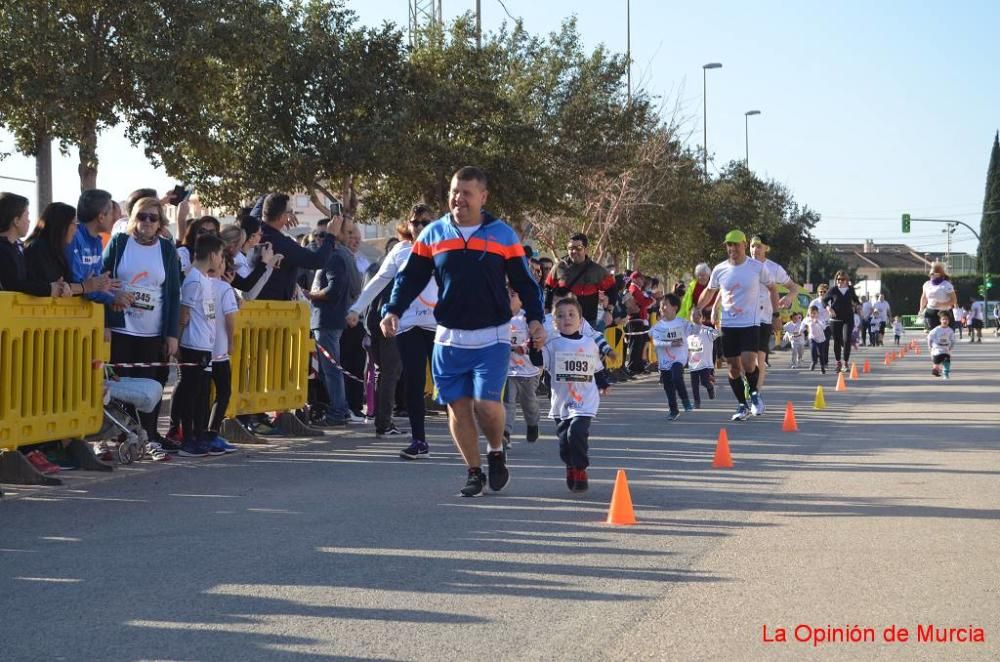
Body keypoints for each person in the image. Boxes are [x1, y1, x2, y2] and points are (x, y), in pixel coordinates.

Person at [381, 166, 545, 497]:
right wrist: (393, 309)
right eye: (455, 191)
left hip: (492, 334)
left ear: (483, 197)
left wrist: (535, 319)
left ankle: (496, 450)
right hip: (449, 336)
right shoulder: (433, 234)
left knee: (486, 405)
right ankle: (473, 471)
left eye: (466, 193)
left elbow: (525, 283)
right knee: (457, 407)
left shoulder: (502, 235)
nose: (458, 199)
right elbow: (410, 277)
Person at [102, 196, 182, 450]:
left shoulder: (167, 249)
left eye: (152, 217)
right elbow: (102, 277)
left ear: (160, 223)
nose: (146, 222)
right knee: (119, 384)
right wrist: (110, 303)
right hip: (121, 326)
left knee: (150, 385)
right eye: (141, 216)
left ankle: (149, 436)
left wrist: (171, 334)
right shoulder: (120, 242)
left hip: (151, 330)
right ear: (132, 219)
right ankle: (121, 434)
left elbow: (172, 292)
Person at [697, 230, 777, 421]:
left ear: (744, 244)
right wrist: (698, 307)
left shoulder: (756, 267)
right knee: (733, 367)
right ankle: (742, 405)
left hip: (750, 322)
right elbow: (710, 291)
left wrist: (775, 314)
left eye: (736, 244)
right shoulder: (720, 269)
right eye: (729, 245)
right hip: (728, 324)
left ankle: (755, 395)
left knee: (749, 363)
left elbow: (773, 288)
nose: (732, 248)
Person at [539, 297, 608, 493]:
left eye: (571, 315)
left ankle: (580, 469)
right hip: (562, 402)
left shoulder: (589, 343)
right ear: (554, 322)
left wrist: (603, 383)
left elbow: (597, 368)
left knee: (576, 432)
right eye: (560, 316)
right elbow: (539, 362)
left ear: (580, 320)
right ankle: (570, 465)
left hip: (585, 400)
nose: (566, 319)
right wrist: (534, 346)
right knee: (564, 442)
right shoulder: (552, 344)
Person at [307, 216, 363, 428]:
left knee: (331, 369)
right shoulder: (345, 256)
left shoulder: (334, 256)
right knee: (331, 368)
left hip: (327, 319)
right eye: (318, 235)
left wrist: (310, 295)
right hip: (333, 319)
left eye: (325, 234)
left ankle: (338, 411)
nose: (321, 239)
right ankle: (340, 408)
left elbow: (333, 290)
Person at [173, 234, 225, 456]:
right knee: (190, 391)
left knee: (202, 392)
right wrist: (177, 343)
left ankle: (199, 433)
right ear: (213, 255)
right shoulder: (193, 279)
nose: (221, 259)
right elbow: (183, 314)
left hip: (205, 344)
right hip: (192, 344)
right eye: (221, 255)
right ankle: (187, 438)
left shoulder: (204, 278)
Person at [25, 202, 116, 297]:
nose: (76, 229)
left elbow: (67, 285)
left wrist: (88, 284)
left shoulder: (58, 250)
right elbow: (54, 287)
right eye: (73, 223)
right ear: (61, 225)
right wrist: (84, 286)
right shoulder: (39, 247)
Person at [253, 193, 332, 301]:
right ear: (281, 217)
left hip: (253, 305)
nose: (292, 215)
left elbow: (259, 209)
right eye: (289, 212)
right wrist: (331, 235)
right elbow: (317, 260)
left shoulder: (253, 230)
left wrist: (270, 200)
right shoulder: (282, 244)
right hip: (275, 310)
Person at [69, 189, 133, 310]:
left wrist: (115, 294)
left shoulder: (97, 241)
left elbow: (97, 285)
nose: (114, 218)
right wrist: (112, 298)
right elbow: (81, 286)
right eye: (111, 213)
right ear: (101, 217)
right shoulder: (74, 238)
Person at [0, 192, 72, 297]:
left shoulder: (18, 248)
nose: (29, 220)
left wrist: (58, 286)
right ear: (16, 221)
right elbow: (14, 285)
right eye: (27, 215)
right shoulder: (3, 250)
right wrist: (49, 289)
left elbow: (29, 281)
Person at [749, 235, 798, 387]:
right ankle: (749, 387)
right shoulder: (743, 265)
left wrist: (789, 297)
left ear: (766, 249)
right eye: (752, 246)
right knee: (746, 360)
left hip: (764, 318)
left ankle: (755, 393)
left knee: (759, 358)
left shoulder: (774, 268)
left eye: (758, 246)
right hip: (744, 318)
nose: (755, 250)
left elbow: (793, 287)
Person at [543, 233, 616, 324]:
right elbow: (548, 288)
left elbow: (612, 289)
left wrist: (609, 311)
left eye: (578, 248)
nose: (574, 251)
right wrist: (547, 311)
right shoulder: (559, 267)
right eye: (571, 248)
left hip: (588, 323)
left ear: (586, 250)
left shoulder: (596, 270)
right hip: (563, 323)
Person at [504, 288, 541, 446]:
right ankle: (505, 433)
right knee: (508, 403)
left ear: (521, 299)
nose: (508, 298)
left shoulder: (526, 318)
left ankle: (533, 424)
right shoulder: (499, 318)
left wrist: (526, 346)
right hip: (508, 371)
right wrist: (512, 348)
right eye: (505, 295)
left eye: (513, 295)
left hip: (528, 371)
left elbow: (535, 337)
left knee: (529, 404)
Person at [649, 292, 692, 420]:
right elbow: (656, 342)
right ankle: (673, 410)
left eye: (665, 305)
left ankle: (685, 400)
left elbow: (695, 330)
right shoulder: (658, 326)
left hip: (679, 358)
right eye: (661, 306)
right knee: (668, 387)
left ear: (675, 308)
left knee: (677, 377)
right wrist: (671, 342)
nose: (662, 308)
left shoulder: (683, 323)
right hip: (664, 361)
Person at [822, 270, 861, 373]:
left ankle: (845, 363)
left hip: (848, 318)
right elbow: (824, 300)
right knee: (837, 341)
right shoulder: (833, 290)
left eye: (842, 279)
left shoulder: (850, 289)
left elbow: (856, 299)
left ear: (846, 280)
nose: (840, 281)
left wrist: (858, 305)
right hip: (835, 319)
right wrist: (829, 309)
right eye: (838, 279)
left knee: (846, 339)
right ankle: (838, 362)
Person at [624, 272, 655, 376]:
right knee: (635, 344)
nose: (642, 281)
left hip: (640, 319)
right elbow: (643, 302)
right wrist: (651, 299)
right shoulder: (634, 289)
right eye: (640, 279)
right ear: (635, 279)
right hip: (635, 320)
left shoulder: (638, 289)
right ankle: (632, 366)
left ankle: (638, 366)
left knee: (640, 344)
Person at [687, 308, 719, 407]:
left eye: (698, 315)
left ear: (702, 318)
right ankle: (697, 402)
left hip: (705, 363)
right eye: (693, 314)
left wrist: (717, 324)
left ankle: (710, 387)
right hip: (693, 363)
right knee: (694, 384)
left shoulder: (707, 330)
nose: (695, 316)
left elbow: (717, 333)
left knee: (704, 382)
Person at [918, 262, 958, 331]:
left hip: (944, 312)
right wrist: (921, 309)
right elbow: (924, 297)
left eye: (933, 274)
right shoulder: (927, 284)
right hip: (931, 311)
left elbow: (954, 300)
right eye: (930, 274)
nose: (931, 275)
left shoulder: (946, 285)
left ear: (939, 274)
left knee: (946, 333)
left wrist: (941, 304)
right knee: (932, 333)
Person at [927, 311, 955, 379]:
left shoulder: (950, 330)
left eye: (947, 319)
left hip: (946, 349)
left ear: (949, 321)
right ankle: (935, 369)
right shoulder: (936, 329)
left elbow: (953, 340)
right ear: (940, 320)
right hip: (937, 349)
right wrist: (929, 346)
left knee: (947, 360)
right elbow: (929, 337)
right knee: (937, 362)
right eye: (943, 319)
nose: (945, 321)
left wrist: (951, 347)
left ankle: (945, 374)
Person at [808, 283, 832, 362]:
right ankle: (816, 358)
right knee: (817, 344)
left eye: (824, 292)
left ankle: (825, 361)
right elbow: (808, 314)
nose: (822, 293)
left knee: (825, 344)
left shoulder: (830, 302)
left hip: (827, 326)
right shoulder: (814, 302)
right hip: (816, 326)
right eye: (820, 292)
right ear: (818, 292)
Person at [805, 306, 829, 374]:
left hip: (821, 339)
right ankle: (814, 361)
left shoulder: (821, 319)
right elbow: (803, 324)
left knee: (821, 354)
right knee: (813, 349)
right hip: (812, 338)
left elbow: (824, 327)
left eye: (814, 313)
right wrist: (800, 330)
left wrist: (818, 322)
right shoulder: (808, 319)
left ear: (818, 313)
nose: (813, 315)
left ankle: (822, 367)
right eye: (811, 313)